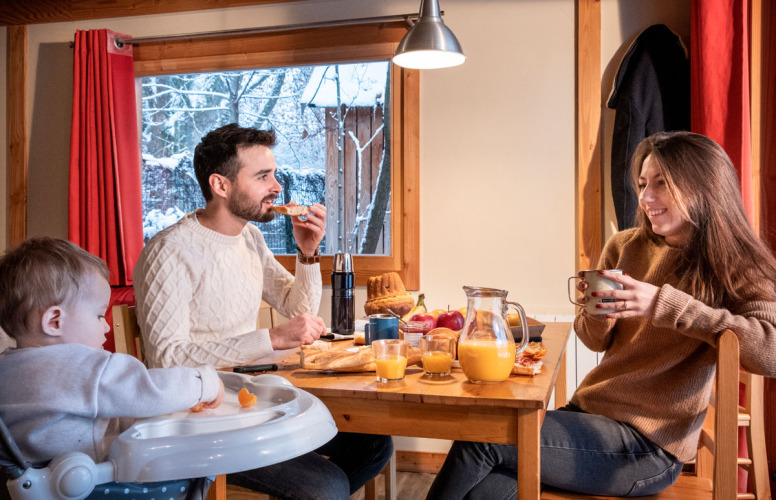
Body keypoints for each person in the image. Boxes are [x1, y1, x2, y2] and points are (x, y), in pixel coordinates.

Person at [426, 131, 776, 499]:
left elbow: (769, 352)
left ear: (704, 187)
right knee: (487, 490)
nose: (645, 197)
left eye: (661, 183)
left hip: (648, 448)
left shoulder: (735, 263)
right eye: (642, 184)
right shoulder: (625, 246)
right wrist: (596, 311)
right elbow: (594, 340)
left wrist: (664, 305)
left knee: (486, 435)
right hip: (589, 415)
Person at [133, 123, 393, 499]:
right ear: (220, 185)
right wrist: (268, 339)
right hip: (201, 419)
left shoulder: (249, 237)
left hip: (250, 398)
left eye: (273, 174)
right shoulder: (169, 252)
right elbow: (166, 358)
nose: (276, 186)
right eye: (262, 176)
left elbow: (295, 308)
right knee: (327, 486)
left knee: (373, 445)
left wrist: (307, 253)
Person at [0, 237, 224, 500]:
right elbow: (150, 390)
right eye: (98, 315)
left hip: (34, 490)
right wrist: (205, 382)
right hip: (91, 490)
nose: (106, 327)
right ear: (55, 321)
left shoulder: (7, 368)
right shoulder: (85, 368)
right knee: (203, 458)